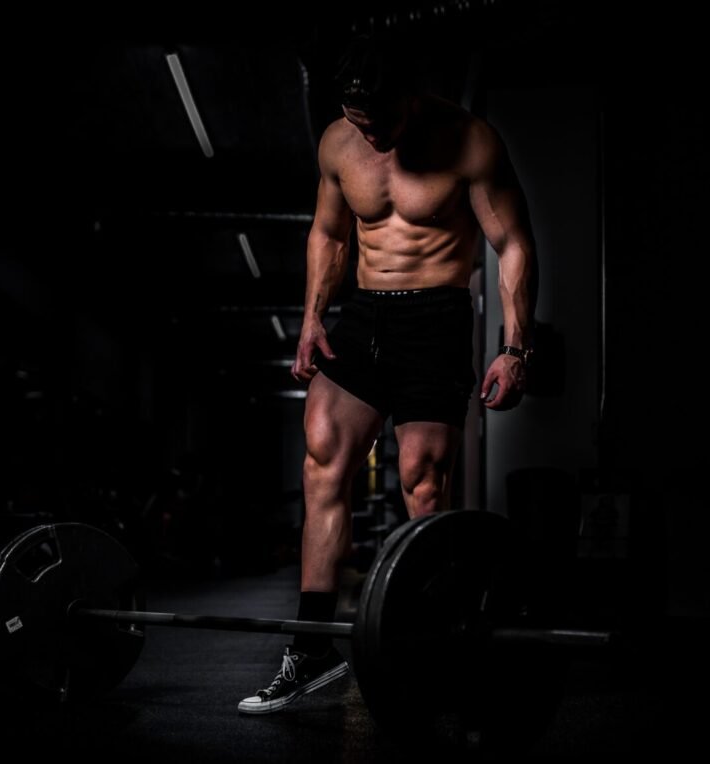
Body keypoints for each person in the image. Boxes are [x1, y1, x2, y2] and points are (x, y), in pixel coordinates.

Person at [238, 33, 538, 714]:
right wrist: (313, 316)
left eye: (383, 119)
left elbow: (514, 241)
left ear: (412, 94)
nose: (371, 135)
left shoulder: (470, 142)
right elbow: (330, 233)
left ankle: (440, 646)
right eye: (359, 121)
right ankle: (312, 650)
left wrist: (516, 348)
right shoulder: (340, 142)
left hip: (436, 320)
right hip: (363, 315)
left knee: (423, 487)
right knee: (322, 456)